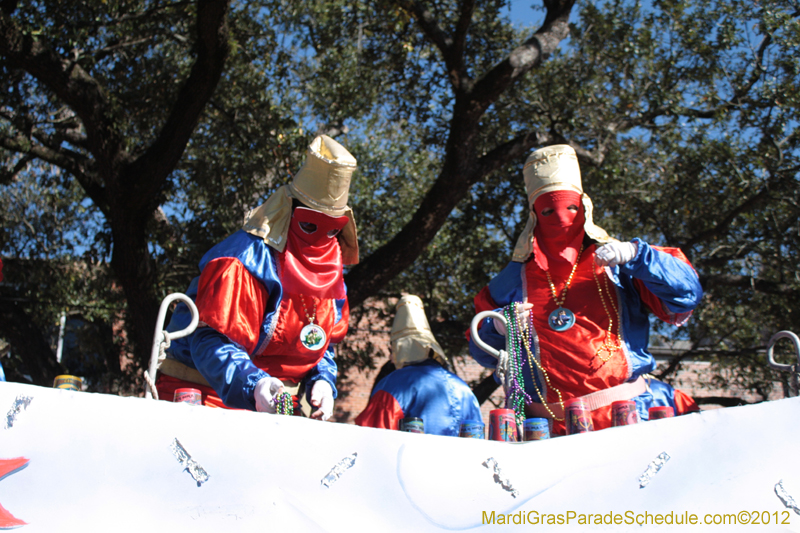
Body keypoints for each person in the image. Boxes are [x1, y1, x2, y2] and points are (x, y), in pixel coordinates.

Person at [468, 144, 702, 435]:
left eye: (571, 208)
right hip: (546, 432)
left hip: (625, 420)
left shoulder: (619, 262)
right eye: (549, 210)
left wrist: (639, 256)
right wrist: (501, 328)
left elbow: (686, 294)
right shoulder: (511, 282)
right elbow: (482, 351)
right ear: (534, 215)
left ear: (585, 207)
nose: (562, 219)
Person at [155, 135, 359, 420]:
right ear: (288, 211)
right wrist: (256, 384)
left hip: (277, 405)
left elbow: (316, 342)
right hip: (201, 399)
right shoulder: (243, 260)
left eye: (332, 229)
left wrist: (322, 380)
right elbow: (210, 340)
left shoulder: (330, 275)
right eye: (311, 224)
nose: (320, 240)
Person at [356, 295, 483, 436]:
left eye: (392, 350)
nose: (391, 359)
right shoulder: (464, 389)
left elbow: (372, 438)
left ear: (402, 349)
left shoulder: (394, 384)